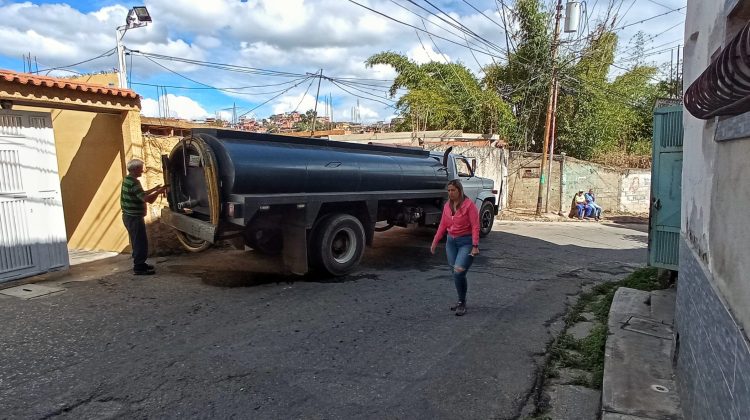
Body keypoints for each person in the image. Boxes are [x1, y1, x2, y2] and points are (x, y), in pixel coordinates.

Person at [430, 179, 480, 316]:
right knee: (455, 273)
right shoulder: (447, 206)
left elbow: (475, 226)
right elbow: (442, 225)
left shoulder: (469, 206)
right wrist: (435, 242)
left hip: (466, 242)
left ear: (460, 190)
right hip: (451, 242)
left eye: (453, 190)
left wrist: (475, 245)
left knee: (458, 272)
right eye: (449, 190)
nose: (450, 193)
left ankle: (462, 303)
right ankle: (461, 301)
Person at [121, 159, 168, 275]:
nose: (142, 170)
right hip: (134, 218)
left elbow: (140, 193)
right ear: (135, 169)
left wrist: (154, 189)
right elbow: (147, 200)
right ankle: (139, 267)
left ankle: (140, 263)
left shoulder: (128, 180)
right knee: (140, 242)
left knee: (137, 241)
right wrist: (159, 192)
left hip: (129, 217)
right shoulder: (134, 182)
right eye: (140, 168)